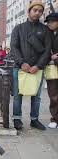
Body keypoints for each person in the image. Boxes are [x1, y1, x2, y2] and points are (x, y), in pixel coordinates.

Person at [10, 1, 52, 130]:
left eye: (40, 11)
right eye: (35, 10)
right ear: (29, 11)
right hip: (20, 67)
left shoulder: (45, 30)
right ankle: (17, 119)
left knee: (37, 96)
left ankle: (34, 120)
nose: (37, 13)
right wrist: (21, 62)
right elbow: (14, 47)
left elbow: (47, 50)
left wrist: (38, 66)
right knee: (18, 96)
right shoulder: (18, 28)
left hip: (37, 69)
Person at [45, 12, 58, 128]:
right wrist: (50, 58)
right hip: (52, 68)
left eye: (52, 21)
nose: (49, 24)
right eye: (48, 22)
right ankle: (55, 118)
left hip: (54, 65)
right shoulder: (48, 34)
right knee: (53, 95)